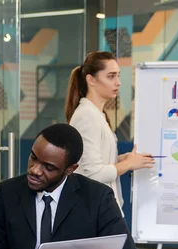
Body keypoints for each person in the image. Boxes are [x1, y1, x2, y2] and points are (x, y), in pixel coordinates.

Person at [0, 123, 142, 249]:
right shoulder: (8, 193)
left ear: (70, 169)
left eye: (49, 167)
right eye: (33, 158)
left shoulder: (98, 198)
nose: (35, 170)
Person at [65, 51, 154, 211]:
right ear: (91, 80)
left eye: (118, 75)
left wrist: (120, 159)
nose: (118, 82)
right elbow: (93, 174)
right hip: (94, 211)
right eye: (111, 76)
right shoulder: (87, 116)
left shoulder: (96, 114)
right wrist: (127, 164)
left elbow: (93, 164)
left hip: (102, 208)